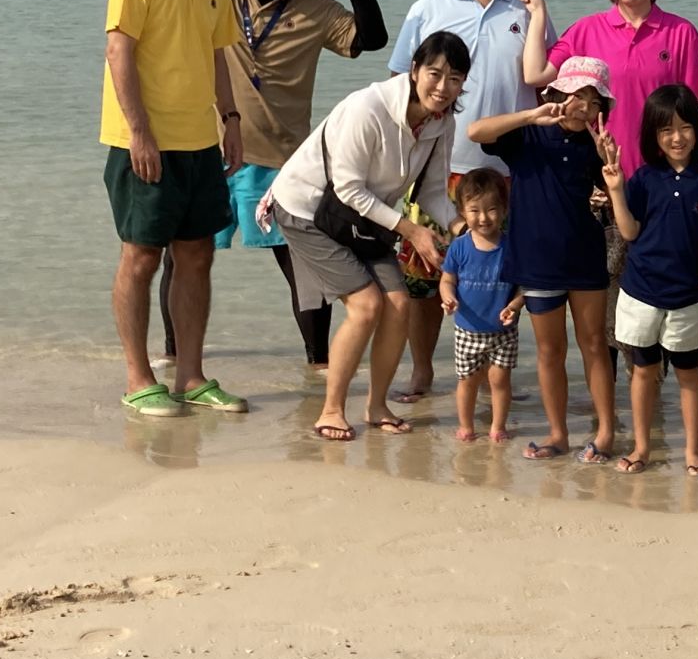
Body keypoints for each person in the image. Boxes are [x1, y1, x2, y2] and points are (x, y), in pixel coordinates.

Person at [155, 0, 387, 369]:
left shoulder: (316, 7)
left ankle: (318, 364)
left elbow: (373, 39)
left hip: (284, 159)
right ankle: (172, 354)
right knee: (182, 256)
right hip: (211, 149)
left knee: (303, 264)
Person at [260, 31, 468, 442]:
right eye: (434, 73)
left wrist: (461, 228)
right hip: (306, 208)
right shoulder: (368, 109)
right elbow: (348, 189)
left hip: (362, 218)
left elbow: (430, 191)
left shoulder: (443, 122)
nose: (443, 88)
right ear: (413, 70)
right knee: (367, 305)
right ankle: (331, 410)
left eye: (456, 78)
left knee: (399, 303)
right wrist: (412, 231)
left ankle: (376, 406)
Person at [100, 0, 249, 419]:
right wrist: (139, 132)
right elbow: (120, 50)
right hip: (143, 138)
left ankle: (191, 376)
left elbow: (217, 53)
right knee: (141, 256)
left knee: (198, 255)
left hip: (199, 141)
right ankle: (139, 378)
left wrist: (231, 121)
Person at [388, 0, 552, 403]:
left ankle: (496, 378)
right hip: (440, 169)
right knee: (424, 274)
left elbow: (548, 85)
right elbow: (399, 88)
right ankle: (422, 372)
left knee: (508, 274)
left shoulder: (528, 10)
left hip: (513, 171)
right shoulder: (427, 9)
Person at [519, 0, 698, 286]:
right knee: (605, 312)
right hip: (600, 187)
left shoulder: (681, 34)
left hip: (660, 186)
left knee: (664, 300)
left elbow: (691, 117)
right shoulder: (586, 31)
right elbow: (536, 74)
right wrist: (539, 14)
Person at [468, 58, 622, 464]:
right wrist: (531, 115)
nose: (583, 105)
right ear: (556, 94)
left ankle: (605, 431)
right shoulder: (526, 138)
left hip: (586, 258)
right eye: (576, 95)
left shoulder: (596, 144)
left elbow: (613, 192)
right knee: (549, 350)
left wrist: (610, 170)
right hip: (537, 262)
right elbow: (475, 131)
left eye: (592, 100)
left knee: (594, 345)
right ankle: (558, 434)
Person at [603, 85, 698, 475]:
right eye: (666, 130)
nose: (677, 137)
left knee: (688, 372)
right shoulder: (644, 178)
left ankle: (693, 452)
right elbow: (630, 232)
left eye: (686, 127)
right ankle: (641, 448)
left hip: (688, 294)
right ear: (653, 135)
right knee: (643, 370)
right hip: (639, 292)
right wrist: (617, 190)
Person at [439, 169, 523, 444]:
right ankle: (466, 426)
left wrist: (515, 304)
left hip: (503, 331)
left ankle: (498, 426)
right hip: (467, 329)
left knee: (500, 380)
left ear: (505, 209)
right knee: (468, 381)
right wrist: (448, 297)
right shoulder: (459, 247)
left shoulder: (512, 246)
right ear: (462, 211)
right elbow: (447, 279)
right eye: (474, 210)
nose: (483, 218)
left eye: (491, 209)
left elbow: (524, 286)